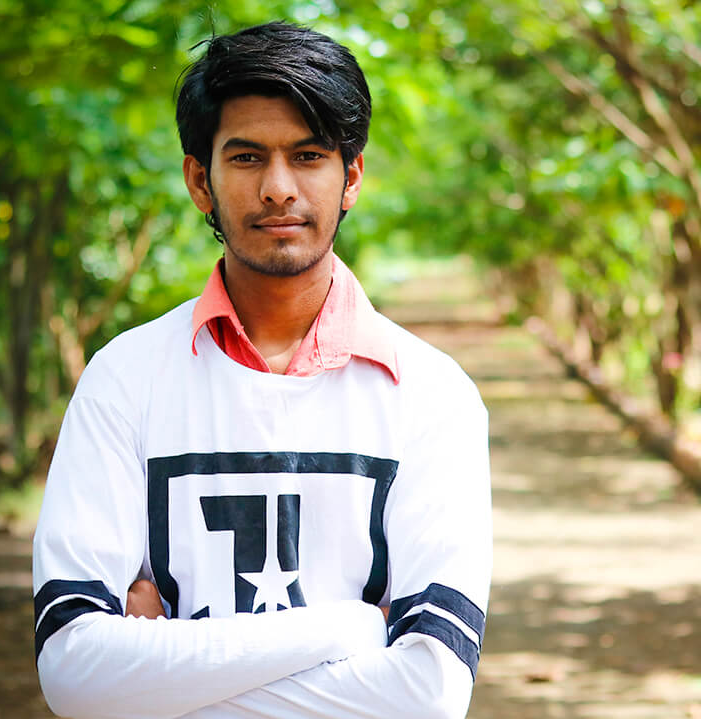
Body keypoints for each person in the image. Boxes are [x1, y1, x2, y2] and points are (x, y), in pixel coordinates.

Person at [31, 21, 491, 719]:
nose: (278, 188)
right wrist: (355, 628)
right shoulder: (124, 378)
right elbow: (72, 671)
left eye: (307, 155)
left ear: (352, 178)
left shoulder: (433, 396)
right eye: (246, 158)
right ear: (200, 181)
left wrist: (161, 671)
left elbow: (428, 693)